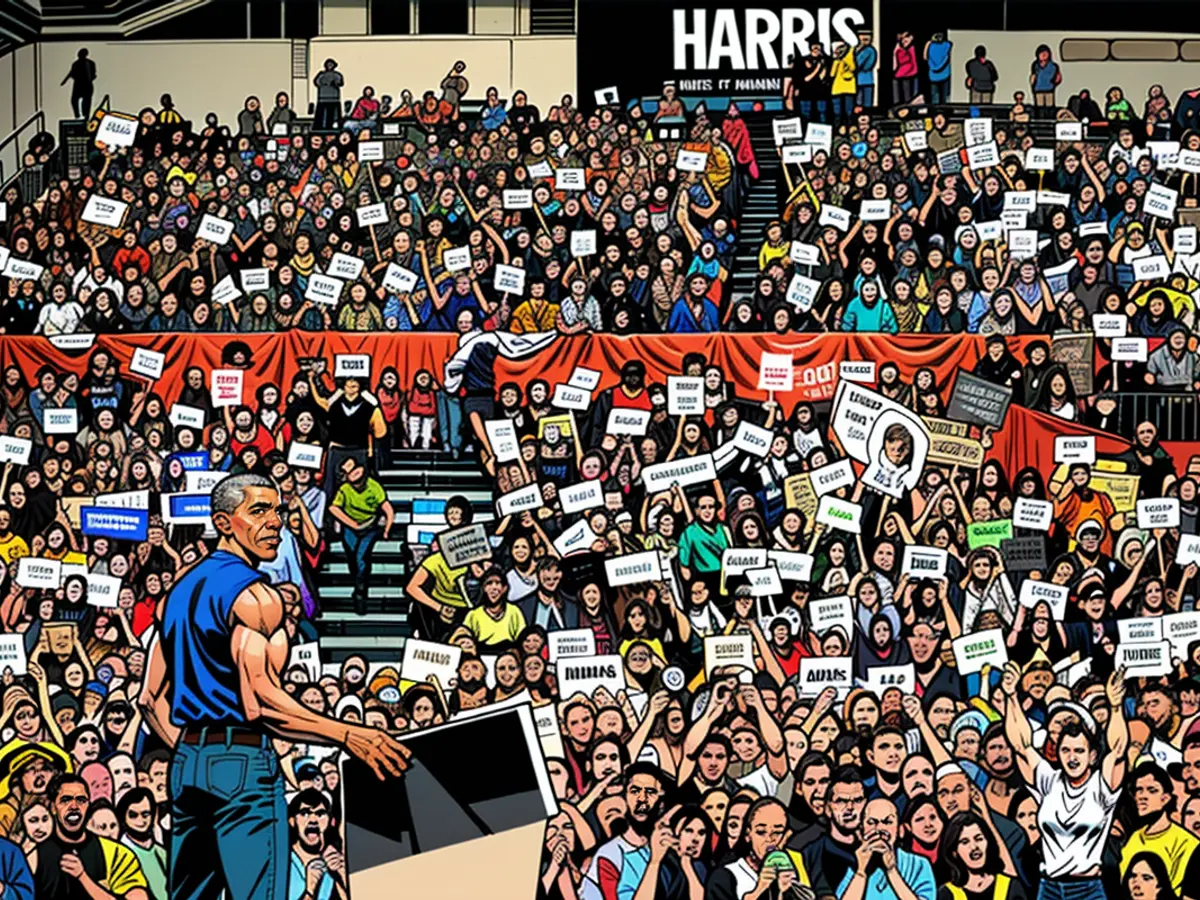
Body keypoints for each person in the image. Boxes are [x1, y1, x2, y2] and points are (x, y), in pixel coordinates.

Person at [138, 474, 409, 900]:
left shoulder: (175, 593)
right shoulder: (256, 597)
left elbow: (149, 700)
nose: (276, 523)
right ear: (224, 523)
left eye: (279, 511)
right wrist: (348, 734)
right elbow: (261, 705)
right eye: (259, 511)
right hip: (242, 763)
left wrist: (198, 755)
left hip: (186, 763)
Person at [328, 458, 394, 616]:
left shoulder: (374, 486)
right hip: (350, 527)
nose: (354, 472)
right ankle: (358, 582)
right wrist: (352, 524)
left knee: (361, 558)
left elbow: (388, 509)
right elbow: (333, 508)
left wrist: (386, 529)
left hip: (370, 526)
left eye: (355, 468)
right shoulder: (344, 490)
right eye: (348, 471)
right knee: (352, 556)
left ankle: (360, 593)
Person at [61, 49, 97, 119]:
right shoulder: (76, 63)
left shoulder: (90, 63)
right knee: (75, 100)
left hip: (86, 85)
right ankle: (78, 116)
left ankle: (85, 116)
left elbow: (93, 74)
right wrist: (65, 81)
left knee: (86, 101)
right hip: (79, 85)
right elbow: (71, 73)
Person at [313, 59, 344, 133]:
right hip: (322, 99)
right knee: (321, 119)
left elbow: (341, 83)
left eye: (331, 64)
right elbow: (316, 82)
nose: (330, 66)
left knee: (333, 118)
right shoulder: (321, 74)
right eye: (328, 64)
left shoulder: (337, 75)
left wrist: (335, 83)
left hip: (334, 99)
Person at [1029, 46, 1061, 119]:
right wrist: (1033, 83)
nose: (1043, 55)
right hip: (1038, 89)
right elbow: (1033, 76)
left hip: (1049, 89)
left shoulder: (1053, 65)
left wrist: (1055, 81)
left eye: (1045, 53)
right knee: (1040, 107)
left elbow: (1058, 77)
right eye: (1041, 53)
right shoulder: (1035, 65)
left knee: (1049, 107)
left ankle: (1049, 120)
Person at [925, 35, 953, 105]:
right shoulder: (947, 45)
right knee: (945, 98)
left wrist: (927, 45)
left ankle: (935, 113)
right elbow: (951, 43)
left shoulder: (930, 46)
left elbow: (925, 57)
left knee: (935, 97)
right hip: (945, 75)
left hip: (933, 76)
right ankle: (944, 113)